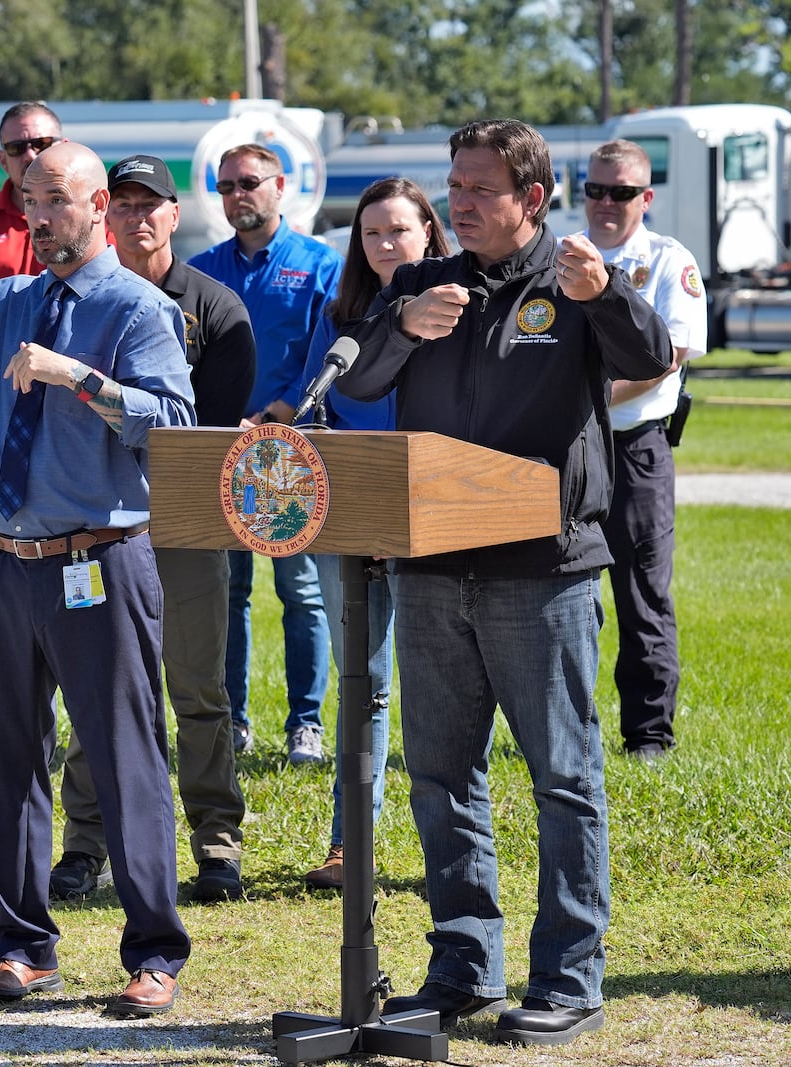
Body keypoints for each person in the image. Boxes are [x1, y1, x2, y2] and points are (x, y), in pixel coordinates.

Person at [338, 118, 670, 1045]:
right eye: (455, 184)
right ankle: (463, 965)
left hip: (542, 571)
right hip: (432, 569)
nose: (462, 202)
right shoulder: (420, 283)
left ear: (532, 198)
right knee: (442, 776)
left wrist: (604, 296)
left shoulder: (570, 281)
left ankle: (569, 974)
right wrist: (402, 327)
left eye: (482, 187)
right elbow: (357, 384)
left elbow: (652, 359)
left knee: (563, 778)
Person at [0, 141, 194, 1018]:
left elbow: (171, 426)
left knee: (122, 756)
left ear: (99, 204)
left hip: (97, 561)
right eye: (28, 198)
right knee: (12, 759)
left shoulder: (139, 309)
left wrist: (79, 377)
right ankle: (23, 948)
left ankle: (153, 953)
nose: (38, 214)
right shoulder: (5, 301)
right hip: (1, 561)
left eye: (55, 198)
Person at [52, 154, 255, 904]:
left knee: (198, 689)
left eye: (152, 206)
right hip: (97, 521)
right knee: (95, 687)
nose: (138, 219)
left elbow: (209, 435)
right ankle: (84, 842)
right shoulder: (79, 301)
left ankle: (216, 843)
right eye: (125, 205)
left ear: (175, 215)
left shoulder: (217, 309)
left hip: (185, 521)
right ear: (107, 214)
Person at [287, 178, 450, 890]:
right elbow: (311, 405)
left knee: (442, 685)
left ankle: (451, 845)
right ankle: (349, 842)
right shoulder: (341, 313)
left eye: (399, 231)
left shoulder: (456, 306)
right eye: (372, 233)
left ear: (428, 234)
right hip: (349, 517)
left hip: (433, 515)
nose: (385, 244)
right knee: (365, 681)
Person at [189, 144, 341, 763]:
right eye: (225, 187)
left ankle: (306, 722)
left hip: (288, 448)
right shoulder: (202, 269)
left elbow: (325, 348)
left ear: (281, 186)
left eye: (248, 183)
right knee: (228, 589)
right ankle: (235, 717)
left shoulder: (320, 264)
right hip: (223, 444)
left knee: (301, 589)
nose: (236, 196)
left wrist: (279, 412)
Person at [579, 139, 707, 759]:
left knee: (641, 594)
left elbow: (668, 358)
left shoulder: (665, 261)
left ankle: (648, 735)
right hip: (570, 449)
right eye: (596, 189)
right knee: (565, 593)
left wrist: (591, 399)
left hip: (634, 447)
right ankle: (572, 727)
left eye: (621, 192)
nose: (607, 202)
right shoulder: (560, 255)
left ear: (646, 198)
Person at [0, 102, 64, 282]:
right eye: (16, 147)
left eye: (41, 144)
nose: (30, 155)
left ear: (65, 148)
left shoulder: (95, 217)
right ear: (3, 160)